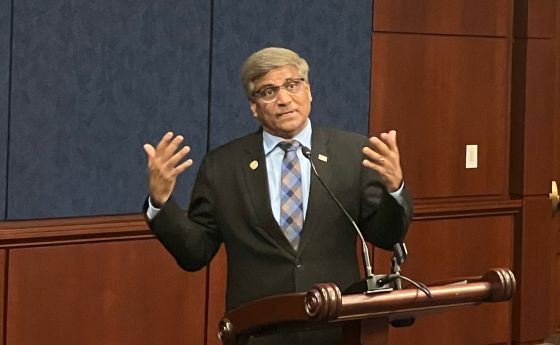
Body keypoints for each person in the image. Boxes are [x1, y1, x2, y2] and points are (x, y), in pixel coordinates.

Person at [143, 47, 413, 345]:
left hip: (336, 329)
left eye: (292, 85)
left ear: (308, 91)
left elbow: (386, 236)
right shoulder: (223, 166)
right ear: (254, 107)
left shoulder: (352, 153)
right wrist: (161, 203)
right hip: (259, 329)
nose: (284, 99)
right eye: (268, 91)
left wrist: (395, 189)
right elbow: (194, 253)